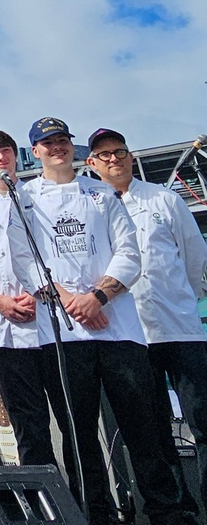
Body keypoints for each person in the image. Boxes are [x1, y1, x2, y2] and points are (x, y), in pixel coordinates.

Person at [7, 117, 186, 525]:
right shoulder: (25, 199)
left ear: (73, 147)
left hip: (119, 328)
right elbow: (25, 262)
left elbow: (129, 252)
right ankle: (95, 514)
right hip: (65, 334)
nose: (57, 148)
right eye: (47, 143)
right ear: (35, 151)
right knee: (78, 433)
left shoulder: (102, 193)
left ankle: (167, 511)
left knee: (141, 426)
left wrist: (98, 296)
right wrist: (71, 300)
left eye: (62, 141)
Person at [85, 127, 207, 517]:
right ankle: (176, 511)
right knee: (152, 432)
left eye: (119, 151)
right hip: (130, 335)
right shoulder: (91, 207)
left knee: (203, 419)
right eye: (104, 155)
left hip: (179, 327)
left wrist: (181, 298)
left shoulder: (165, 199)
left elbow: (194, 260)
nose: (114, 159)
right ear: (91, 163)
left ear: (131, 156)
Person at [0, 129, 59, 468]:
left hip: (51, 323)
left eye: (5, 150)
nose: (0, 157)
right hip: (4, 328)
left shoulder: (38, 197)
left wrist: (45, 294)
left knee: (72, 422)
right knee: (29, 426)